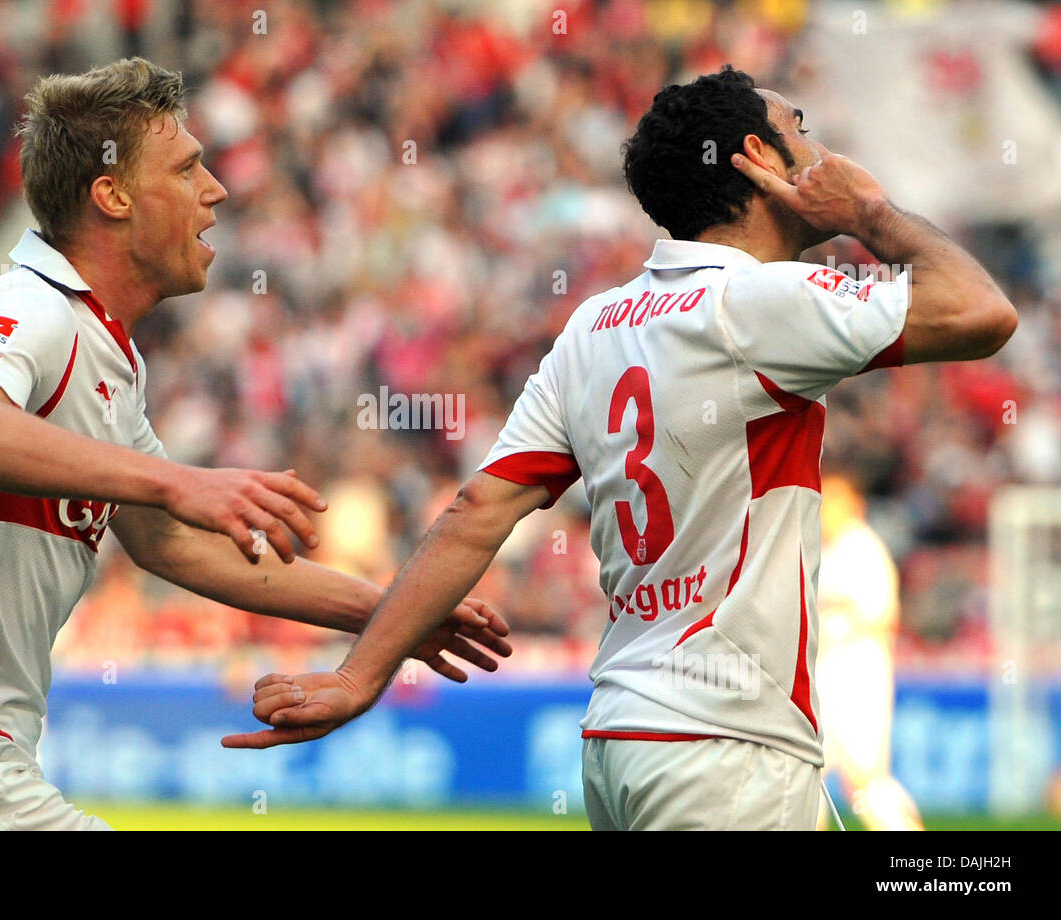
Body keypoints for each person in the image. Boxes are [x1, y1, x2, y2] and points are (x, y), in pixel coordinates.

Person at [222, 67, 1017, 831]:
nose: (824, 155)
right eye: (797, 132)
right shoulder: (757, 301)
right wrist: (871, 212)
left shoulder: (593, 327)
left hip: (625, 740)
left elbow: (477, 507)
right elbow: (983, 311)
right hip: (728, 745)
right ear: (756, 162)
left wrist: (360, 676)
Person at [0, 57, 509, 831]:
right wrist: (178, 481)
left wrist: (398, 613)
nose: (218, 189)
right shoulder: (28, 305)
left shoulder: (109, 363)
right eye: (188, 167)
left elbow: (174, 547)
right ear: (114, 194)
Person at [815, 473, 923, 830]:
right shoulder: (825, 550)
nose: (824, 509)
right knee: (810, 774)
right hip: (826, 674)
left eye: (833, 500)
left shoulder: (864, 550)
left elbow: (882, 618)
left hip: (858, 672)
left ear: (853, 505)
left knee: (865, 776)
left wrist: (834, 629)